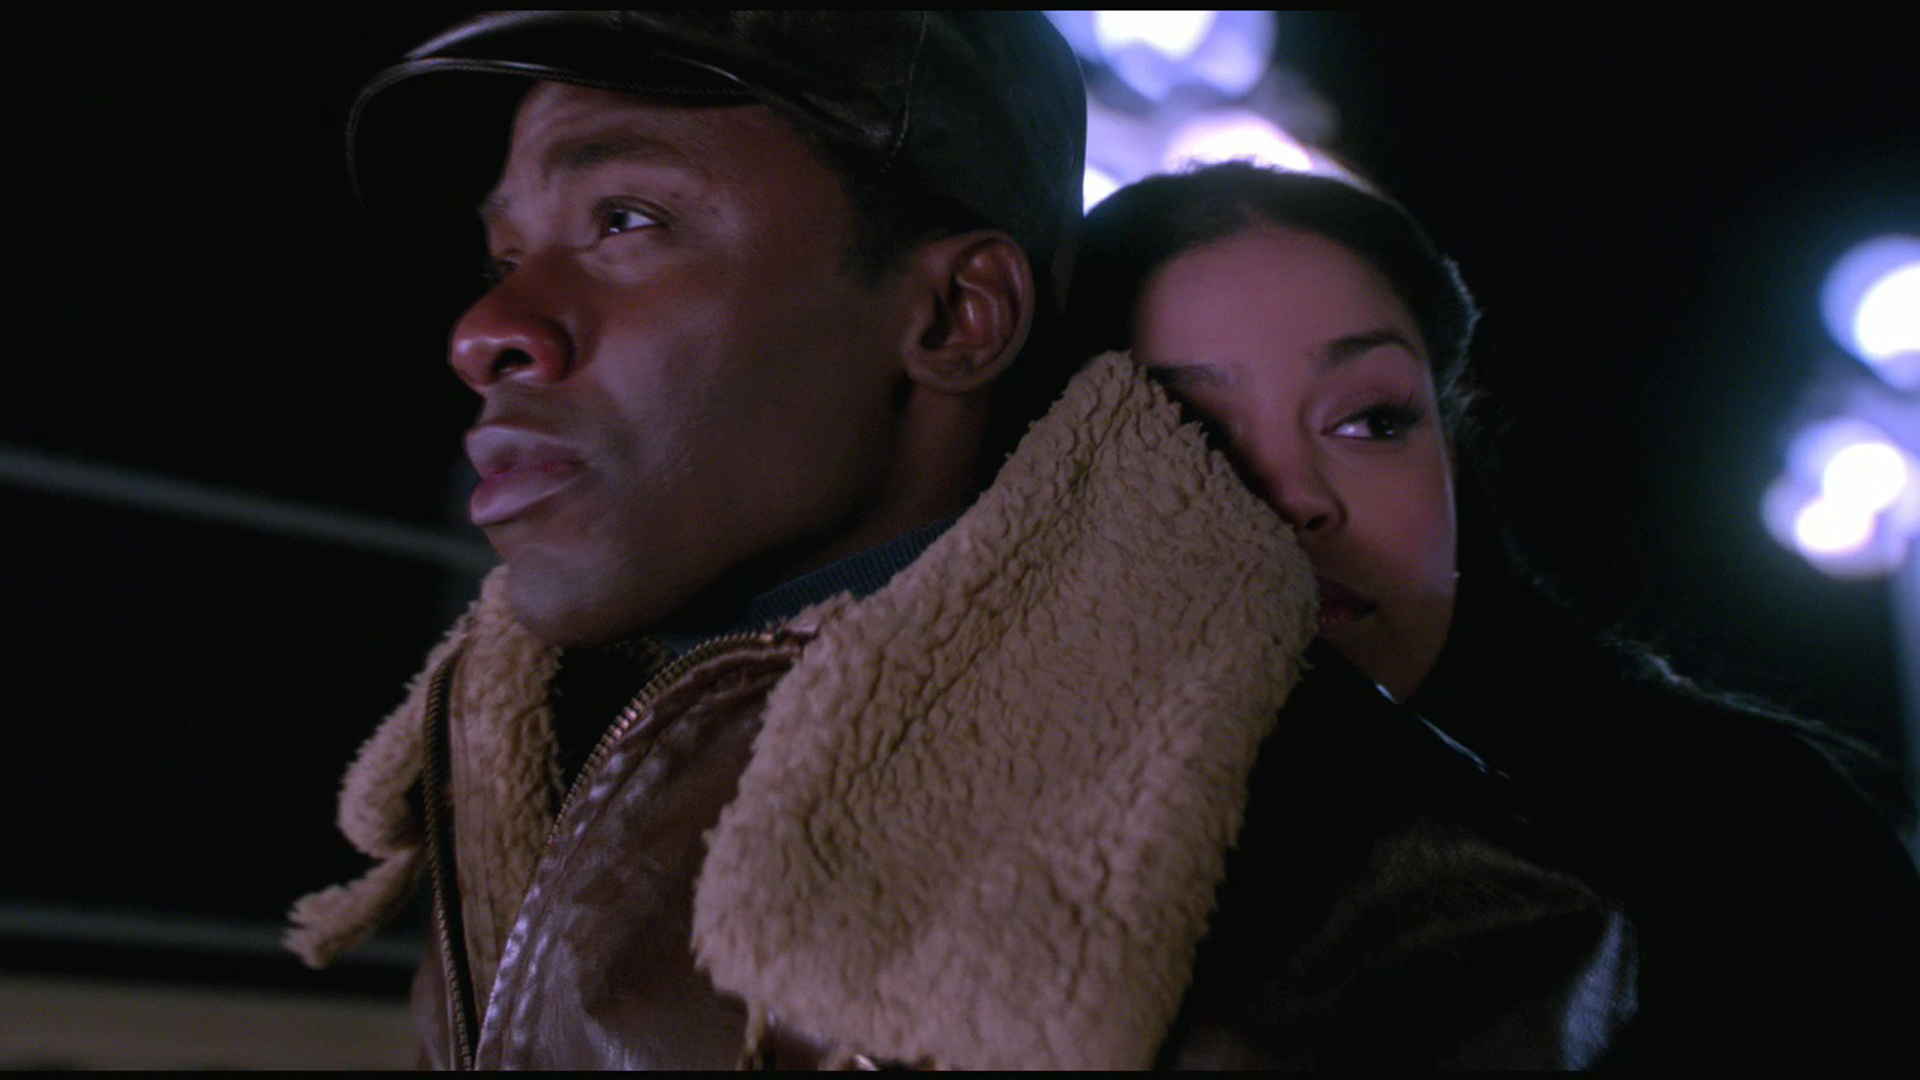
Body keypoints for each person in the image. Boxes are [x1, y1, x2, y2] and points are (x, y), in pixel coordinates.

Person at [286, 13, 1635, 1069]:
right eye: (502, 256)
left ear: (955, 317)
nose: (488, 330)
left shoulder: (1371, 915)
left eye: (625, 221)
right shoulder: (518, 763)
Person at [1067, 160, 1920, 1069]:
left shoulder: (1761, 840)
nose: (1299, 498)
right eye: (1196, 432)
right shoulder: (991, 847)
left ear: (1452, 455)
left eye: (1372, 421)